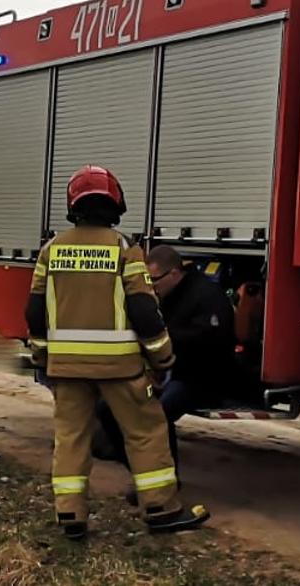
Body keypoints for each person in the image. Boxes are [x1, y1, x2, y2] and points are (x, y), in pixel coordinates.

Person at [27, 165, 210, 541]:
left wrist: (43, 357)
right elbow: (144, 311)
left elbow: (35, 311)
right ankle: (160, 509)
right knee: (145, 432)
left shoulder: (51, 250)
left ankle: (71, 515)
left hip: (67, 369)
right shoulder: (125, 250)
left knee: (71, 437)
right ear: (115, 204)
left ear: (73, 205)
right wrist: (162, 357)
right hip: (120, 368)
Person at [93, 246, 238, 472]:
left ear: (174, 274)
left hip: (199, 376)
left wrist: (166, 354)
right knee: (107, 408)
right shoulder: (163, 296)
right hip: (164, 372)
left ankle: (167, 479)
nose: (151, 285)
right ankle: (137, 467)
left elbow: (210, 343)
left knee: (157, 414)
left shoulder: (206, 297)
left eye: (154, 279)